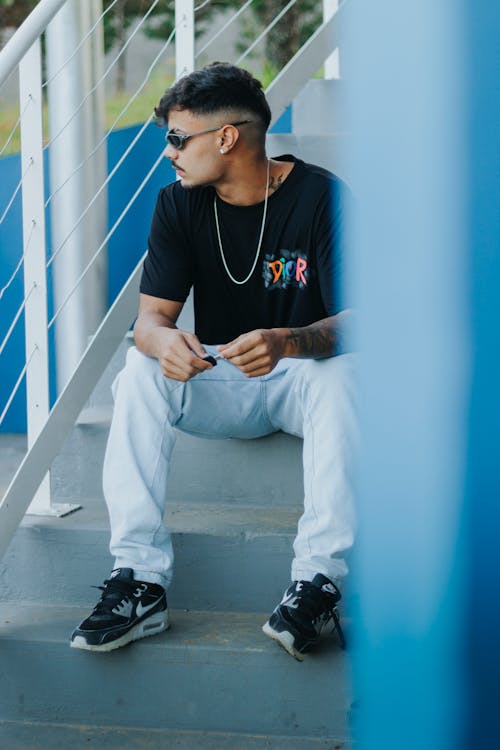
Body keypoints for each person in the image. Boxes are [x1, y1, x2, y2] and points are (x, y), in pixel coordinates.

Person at [70, 63, 357, 660]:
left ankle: (318, 582)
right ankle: (140, 581)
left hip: (300, 377)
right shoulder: (178, 204)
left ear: (227, 137)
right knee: (139, 373)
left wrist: (289, 340)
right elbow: (150, 320)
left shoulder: (321, 196)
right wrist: (161, 341)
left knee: (346, 375)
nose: (169, 153)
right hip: (222, 376)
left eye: (178, 139)